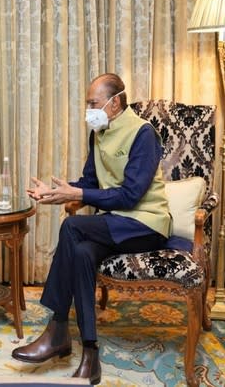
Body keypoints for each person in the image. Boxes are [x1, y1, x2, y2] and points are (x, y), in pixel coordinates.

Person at [11, 73, 171, 384]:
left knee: (72, 228)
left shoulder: (143, 134)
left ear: (115, 104)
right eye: (87, 104)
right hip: (114, 224)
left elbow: (130, 195)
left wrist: (78, 196)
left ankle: (57, 329)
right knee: (82, 253)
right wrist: (57, 194)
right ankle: (90, 352)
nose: (89, 110)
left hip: (146, 223)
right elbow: (89, 184)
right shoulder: (98, 133)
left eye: (93, 103)